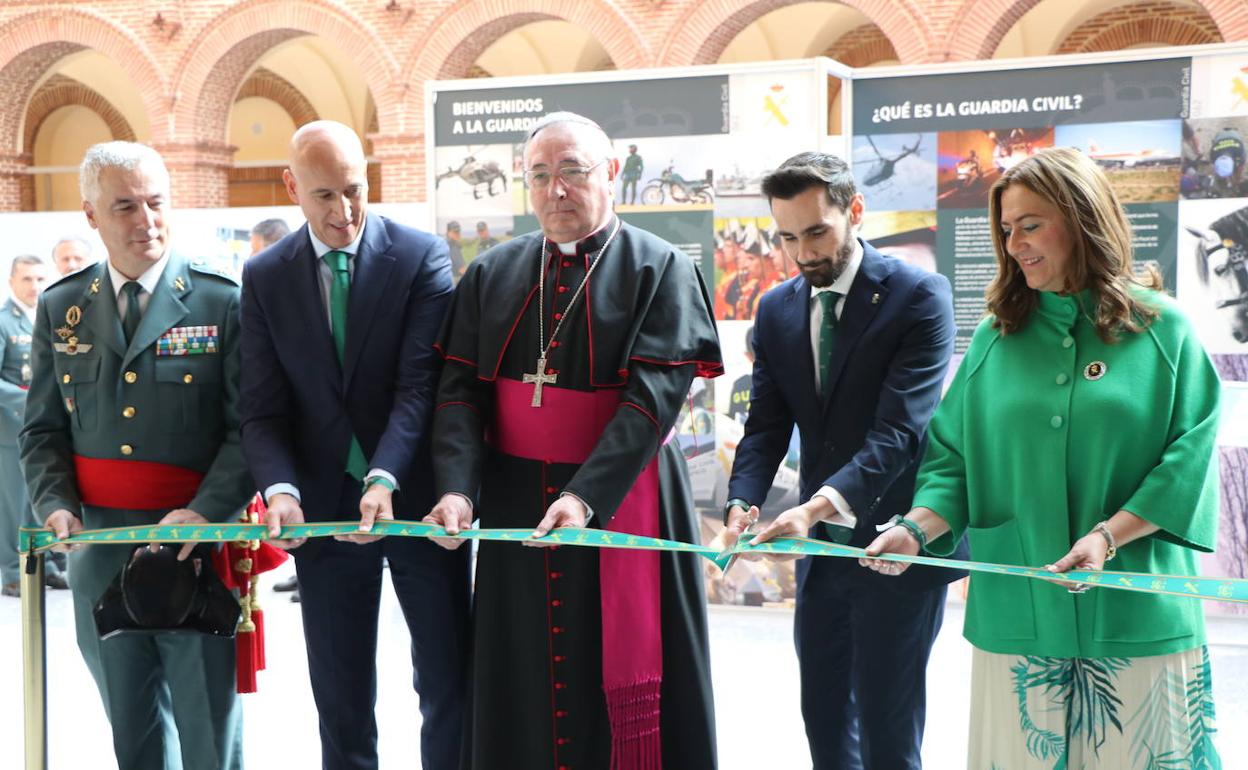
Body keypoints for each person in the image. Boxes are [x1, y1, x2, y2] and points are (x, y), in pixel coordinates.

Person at [862, 147, 1223, 768]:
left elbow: (1189, 458)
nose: (1016, 244)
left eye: (1031, 225)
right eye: (1006, 230)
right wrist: (914, 531)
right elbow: (952, 461)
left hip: (1136, 615)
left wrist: (1108, 537)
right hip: (1017, 620)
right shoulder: (994, 337)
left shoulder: (1163, 330)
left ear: (1083, 220)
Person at [427, 111, 722, 769]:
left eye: (571, 171)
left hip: (623, 499)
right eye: (539, 175)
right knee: (521, 672)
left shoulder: (661, 267)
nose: (555, 190)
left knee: (615, 674)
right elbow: (457, 395)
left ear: (611, 173)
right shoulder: (491, 273)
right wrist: (455, 489)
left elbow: (653, 401)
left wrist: (585, 497)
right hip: (513, 504)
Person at [240, 120, 468, 770]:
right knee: (340, 696)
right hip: (322, 505)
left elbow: (419, 387)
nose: (344, 213)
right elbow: (261, 408)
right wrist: (280, 490)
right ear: (291, 187)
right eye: (324, 197)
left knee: (447, 679)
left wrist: (386, 475)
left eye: (354, 190)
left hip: (418, 499)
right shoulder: (264, 277)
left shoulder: (421, 255)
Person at [20, 141, 253, 769]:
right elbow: (41, 429)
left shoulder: (219, 300)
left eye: (156, 202)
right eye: (125, 206)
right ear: (91, 215)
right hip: (99, 546)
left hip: (193, 544)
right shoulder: (60, 306)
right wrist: (54, 503)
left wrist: (208, 511)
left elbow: (248, 428)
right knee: (132, 727)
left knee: (209, 727)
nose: (146, 221)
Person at [732, 152, 964, 769]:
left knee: (889, 730)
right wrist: (741, 503)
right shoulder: (777, 309)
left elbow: (899, 433)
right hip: (821, 554)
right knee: (826, 723)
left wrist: (812, 509)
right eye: (786, 237)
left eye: (816, 232)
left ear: (854, 211)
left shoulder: (918, 294)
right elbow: (765, 426)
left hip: (900, 543)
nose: (803, 253)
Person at [1, 255, 67, 595]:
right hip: (12, 430)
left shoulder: (52, 317)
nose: (34, 286)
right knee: (14, 505)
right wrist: (30, 400)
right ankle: (13, 572)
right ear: (12, 281)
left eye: (40, 279)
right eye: (27, 279)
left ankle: (48, 564)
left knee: (44, 498)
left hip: (47, 427)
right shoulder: (3, 322)